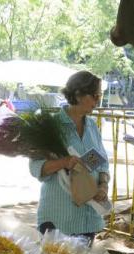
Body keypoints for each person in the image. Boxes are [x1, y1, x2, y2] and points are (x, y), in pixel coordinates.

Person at [28, 71, 110, 243]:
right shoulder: (52, 126)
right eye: (95, 96)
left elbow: (101, 163)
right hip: (59, 217)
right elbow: (36, 167)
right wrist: (64, 162)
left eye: (99, 96)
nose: (98, 101)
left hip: (87, 217)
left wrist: (102, 185)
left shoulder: (92, 126)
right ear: (78, 94)